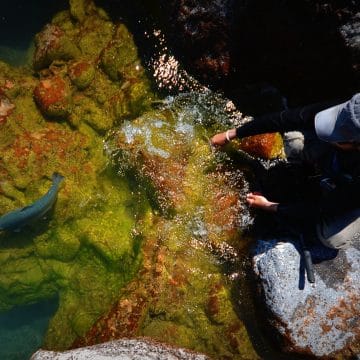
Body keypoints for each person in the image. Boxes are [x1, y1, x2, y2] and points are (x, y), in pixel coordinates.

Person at [211, 93, 360, 249]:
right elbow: (288, 118)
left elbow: (323, 208)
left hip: (351, 195)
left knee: (331, 238)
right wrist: (232, 134)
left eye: (336, 135)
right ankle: (317, 170)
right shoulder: (351, 110)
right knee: (294, 140)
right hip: (343, 158)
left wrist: (270, 206)